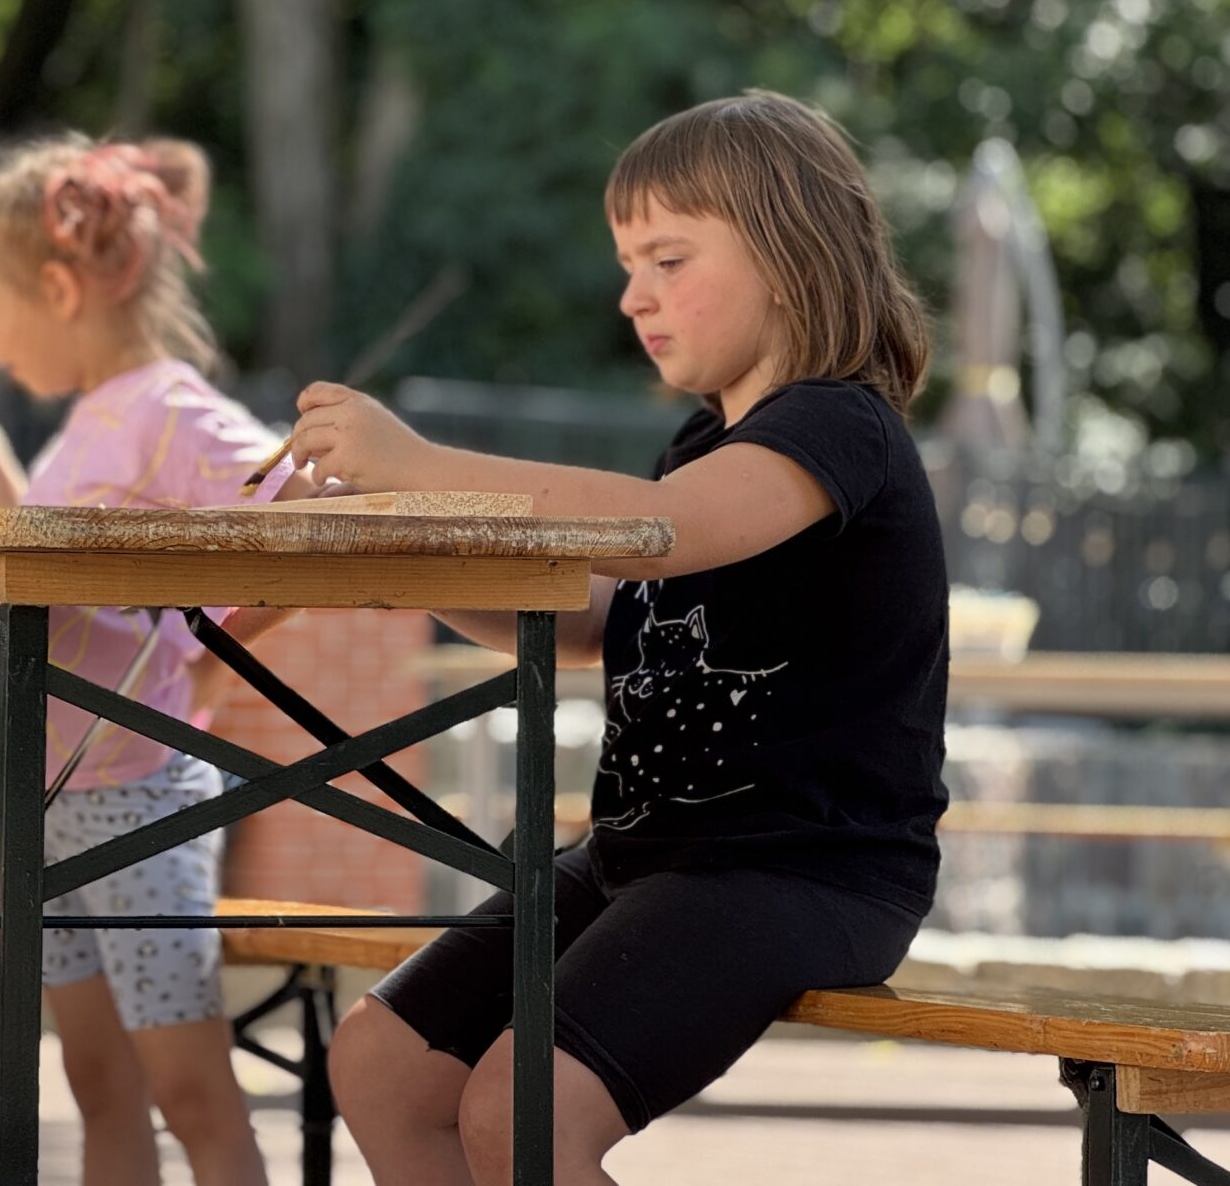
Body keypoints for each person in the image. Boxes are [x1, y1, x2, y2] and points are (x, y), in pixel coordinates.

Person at [301, 90, 945, 1184]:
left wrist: (420, 467)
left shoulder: (839, 424)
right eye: (628, 264)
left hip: (801, 873)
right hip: (643, 860)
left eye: (667, 260)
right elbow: (595, 616)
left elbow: (658, 533)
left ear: (790, 256)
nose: (631, 295)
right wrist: (392, 543)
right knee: (381, 1064)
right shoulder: (702, 443)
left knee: (523, 1113)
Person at [0, 135, 304, 1186]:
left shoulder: (168, 411)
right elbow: (58, 578)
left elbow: (310, 514)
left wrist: (207, 653)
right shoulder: (91, 422)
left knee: (191, 1090)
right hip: (44, 794)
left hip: (138, 798)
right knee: (99, 1086)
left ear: (59, 290)